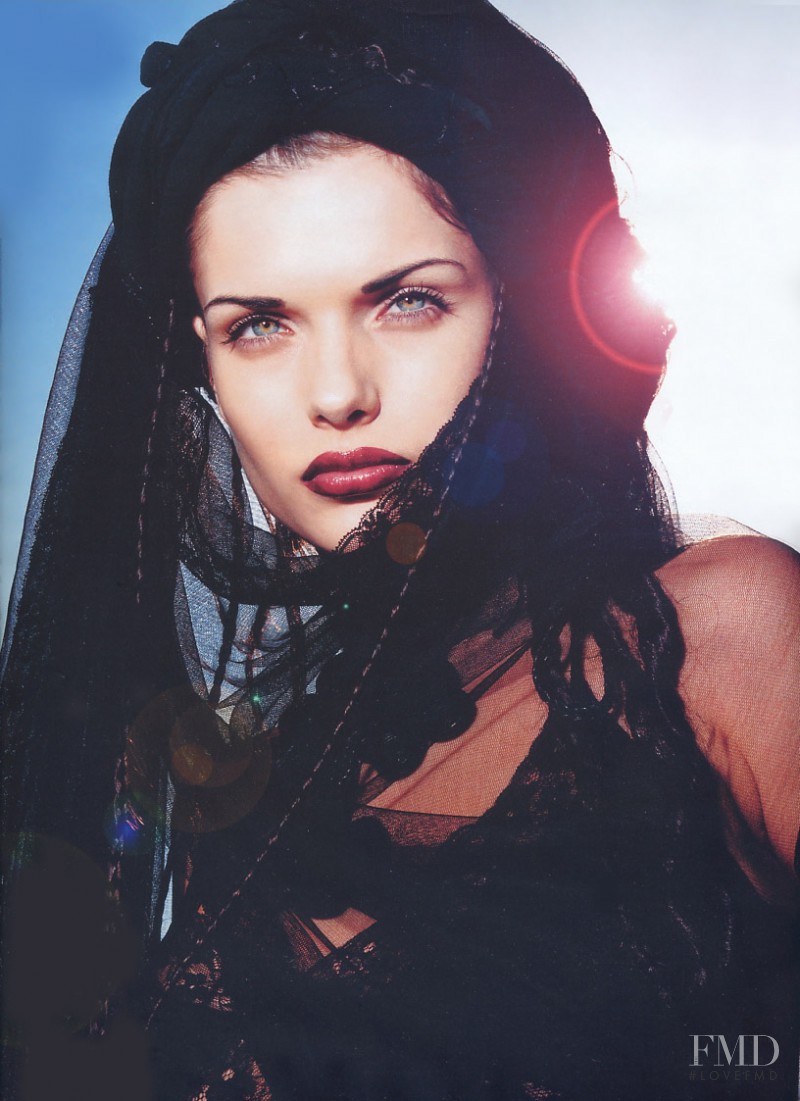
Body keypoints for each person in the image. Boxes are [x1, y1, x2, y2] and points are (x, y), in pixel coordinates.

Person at [2, 1, 798, 1099]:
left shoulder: (723, 641)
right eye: (258, 325)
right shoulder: (255, 803)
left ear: (518, 312)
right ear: (201, 363)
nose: (337, 394)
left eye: (409, 301)